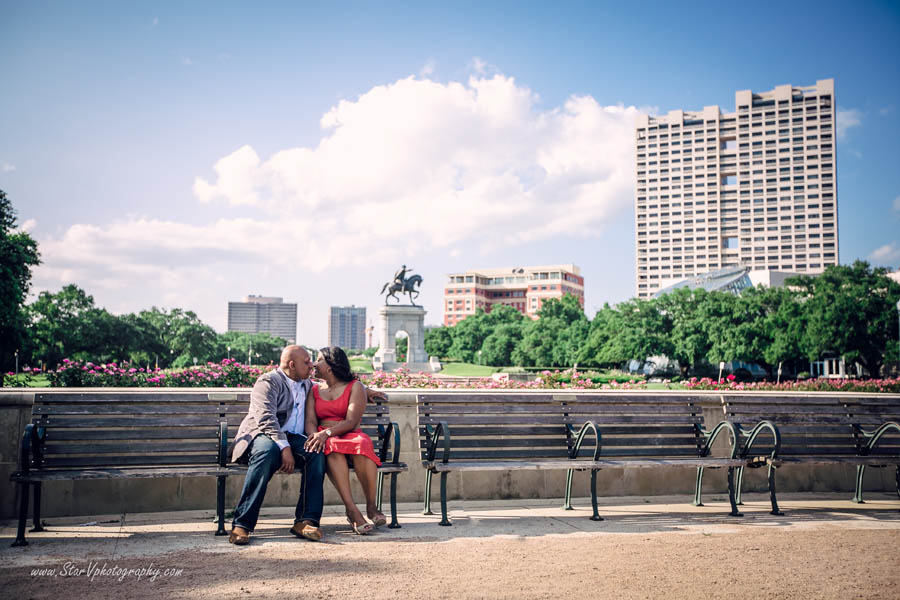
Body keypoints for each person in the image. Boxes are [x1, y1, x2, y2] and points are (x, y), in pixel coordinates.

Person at [227, 345, 382, 545]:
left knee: (316, 453)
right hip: (264, 435)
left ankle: (306, 521)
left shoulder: (307, 384)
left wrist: (365, 390)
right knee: (266, 453)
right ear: (292, 364)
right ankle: (242, 524)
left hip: (295, 438)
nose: (312, 365)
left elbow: (338, 383)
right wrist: (284, 447)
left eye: (313, 361)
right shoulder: (268, 382)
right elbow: (266, 420)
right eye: (307, 362)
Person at [304, 346, 386, 535]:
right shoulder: (314, 390)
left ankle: (371, 507)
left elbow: (351, 421)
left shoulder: (355, 386)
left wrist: (327, 433)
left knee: (362, 444)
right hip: (324, 435)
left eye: (319, 359)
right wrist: (315, 436)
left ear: (331, 366)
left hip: (347, 432)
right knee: (331, 447)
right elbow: (310, 420)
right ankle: (352, 510)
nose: (315, 363)